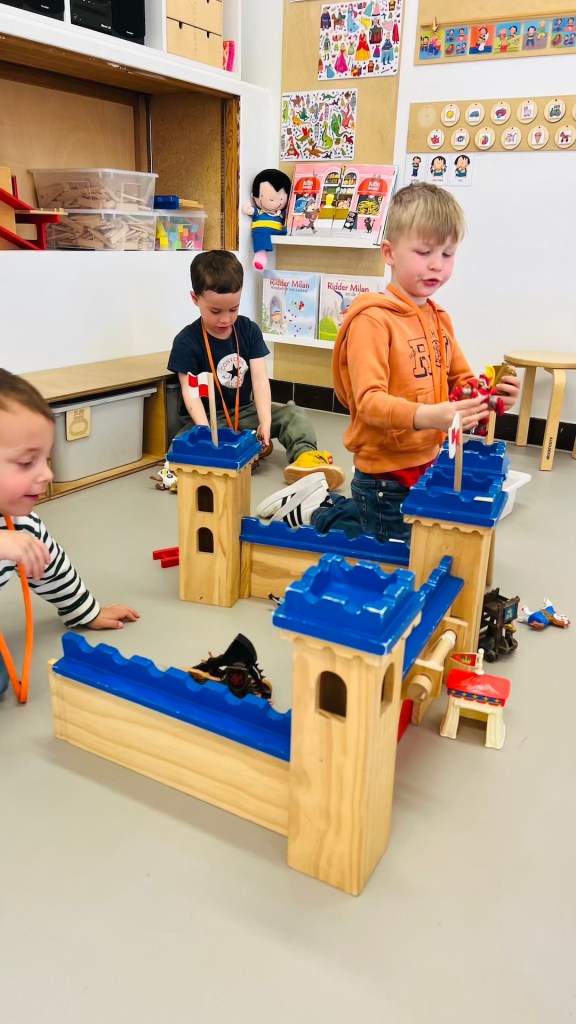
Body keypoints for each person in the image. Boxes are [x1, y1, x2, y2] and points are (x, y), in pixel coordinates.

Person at [257, 184, 520, 542]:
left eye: (448, 253)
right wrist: (429, 415)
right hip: (385, 476)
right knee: (391, 549)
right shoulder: (372, 321)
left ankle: (323, 502)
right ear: (389, 252)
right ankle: (316, 512)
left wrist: (491, 397)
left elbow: (462, 386)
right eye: (424, 251)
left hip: (427, 460)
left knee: (405, 536)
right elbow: (368, 402)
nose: (437, 264)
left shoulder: (439, 318)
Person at [0, 369, 139, 698]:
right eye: (26, 463)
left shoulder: (20, 524)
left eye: (46, 459)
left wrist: (85, 611)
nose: (47, 474)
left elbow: (50, 567)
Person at [168, 250, 345, 489]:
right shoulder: (186, 342)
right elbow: (190, 394)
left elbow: (260, 380)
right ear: (195, 299)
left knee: (294, 414)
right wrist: (205, 435)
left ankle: (305, 458)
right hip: (211, 419)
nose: (225, 319)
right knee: (180, 443)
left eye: (233, 309)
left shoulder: (249, 330)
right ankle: (200, 468)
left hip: (246, 411)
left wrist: (265, 421)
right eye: (216, 311)